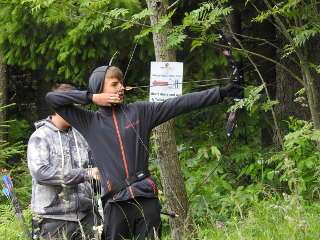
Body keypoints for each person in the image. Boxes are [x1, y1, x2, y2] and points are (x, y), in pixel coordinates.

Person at [45, 66, 243, 240]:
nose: (121, 87)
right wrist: (91, 97)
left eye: (121, 83)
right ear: (99, 88)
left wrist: (222, 92)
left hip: (146, 199)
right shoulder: (89, 121)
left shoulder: (140, 111)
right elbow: (52, 99)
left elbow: (179, 104)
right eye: (114, 84)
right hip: (115, 204)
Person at [28, 84, 101, 240]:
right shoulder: (40, 136)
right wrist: (86, 173)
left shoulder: (82, 135)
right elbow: (41, 173)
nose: (78, 113)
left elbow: (96, 169)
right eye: (74, 108)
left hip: (86, 216)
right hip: (52, 219)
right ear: (60, 107)